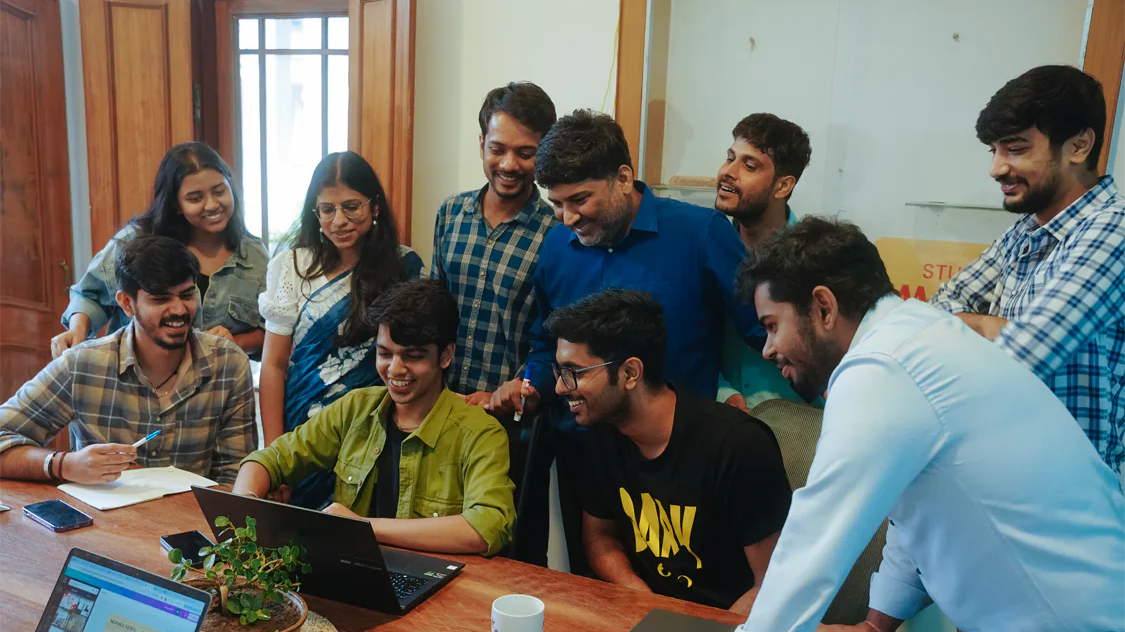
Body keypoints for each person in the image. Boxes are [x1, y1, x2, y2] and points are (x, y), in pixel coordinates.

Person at [737, 217, 1125, 632]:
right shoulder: (916, 334)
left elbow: (814, 538)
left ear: (824, 308)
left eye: (772, 326)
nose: (768, 349)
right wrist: (876, 625)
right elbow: (918, 503)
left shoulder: (883, 367)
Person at [488, 109, 761, 573]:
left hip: (680, 468)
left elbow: (764, 327)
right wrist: (531, 384)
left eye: (580, 199)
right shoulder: (557, 245)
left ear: (623, 177)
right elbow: (542, 341)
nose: (567, 217)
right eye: (555, 203)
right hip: (581, 457)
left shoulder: (700, 234)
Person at [544, 289, 789, 613]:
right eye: (559, 371)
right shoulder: (604, 433)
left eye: (575, 372)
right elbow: (600, 538)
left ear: (631, 373)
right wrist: (643, 599)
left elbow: (775, 583)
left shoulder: (737, 447)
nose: (561, 387)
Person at [931, 65, 1125, 474]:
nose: (996, 168)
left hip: (1069, 491)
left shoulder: (1115, 228)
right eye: (995, 150)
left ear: (1078, 145)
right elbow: (936, 310)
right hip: (1003, 471)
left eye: (1016, 149)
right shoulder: (1026, 229)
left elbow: (1020, 359)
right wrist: (989, 326)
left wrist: (988, 327)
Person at [233, 279, 515, 556]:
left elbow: (486, 527)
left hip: (439, 584)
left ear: (445, 355)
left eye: (412, 356)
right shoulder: (356, 408)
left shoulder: (480, 432)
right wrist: (244, 506)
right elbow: (270, 459)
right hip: (355, 572)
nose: (395, 369)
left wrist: (363, 527)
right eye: (384, 354)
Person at [0, 236, 257, 485]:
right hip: (100, 524)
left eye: (187, 295)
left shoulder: (229, 364)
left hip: (193, 522)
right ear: (127, 303)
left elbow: (235, 479)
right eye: (161, 299)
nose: (179, 310)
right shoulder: (82, 365)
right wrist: (64, 464)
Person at [257, 151, 424, 508]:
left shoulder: (403, 266)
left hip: (372, 432)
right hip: (301, 428)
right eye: (327, 209)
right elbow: (274, 364)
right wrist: (274, 457)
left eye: (352, 206)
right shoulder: (292, 266)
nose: (339, 221)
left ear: (374, 206)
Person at [52, 142, 268, 357]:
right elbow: (89, 294)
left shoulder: (254, 256)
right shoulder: (135, 242)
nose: (211, 205)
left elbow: (273, 330)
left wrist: (235, 341)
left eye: (219, 191)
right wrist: (77, 330)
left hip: (215, 384)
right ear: (175, 203)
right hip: (135, 382)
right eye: (195, 198)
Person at [432, 82, 559, 402]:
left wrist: (509, 391)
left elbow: (553, 338)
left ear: (543, 153)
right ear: (482, 145)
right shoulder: (451, 213)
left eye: (525, 153)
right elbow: (432, 310)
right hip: (440, 404)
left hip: (510, 415)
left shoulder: (556, 233)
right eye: (497, 149)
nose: (508, 164)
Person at [713, 113, 816, 412]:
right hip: (716, 420)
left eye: (749, 165)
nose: (728, 173)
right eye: (730, 158)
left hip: (799, 428)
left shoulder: (816, 259)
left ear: (782, 186)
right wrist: (721, 391)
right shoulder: (703, 246)